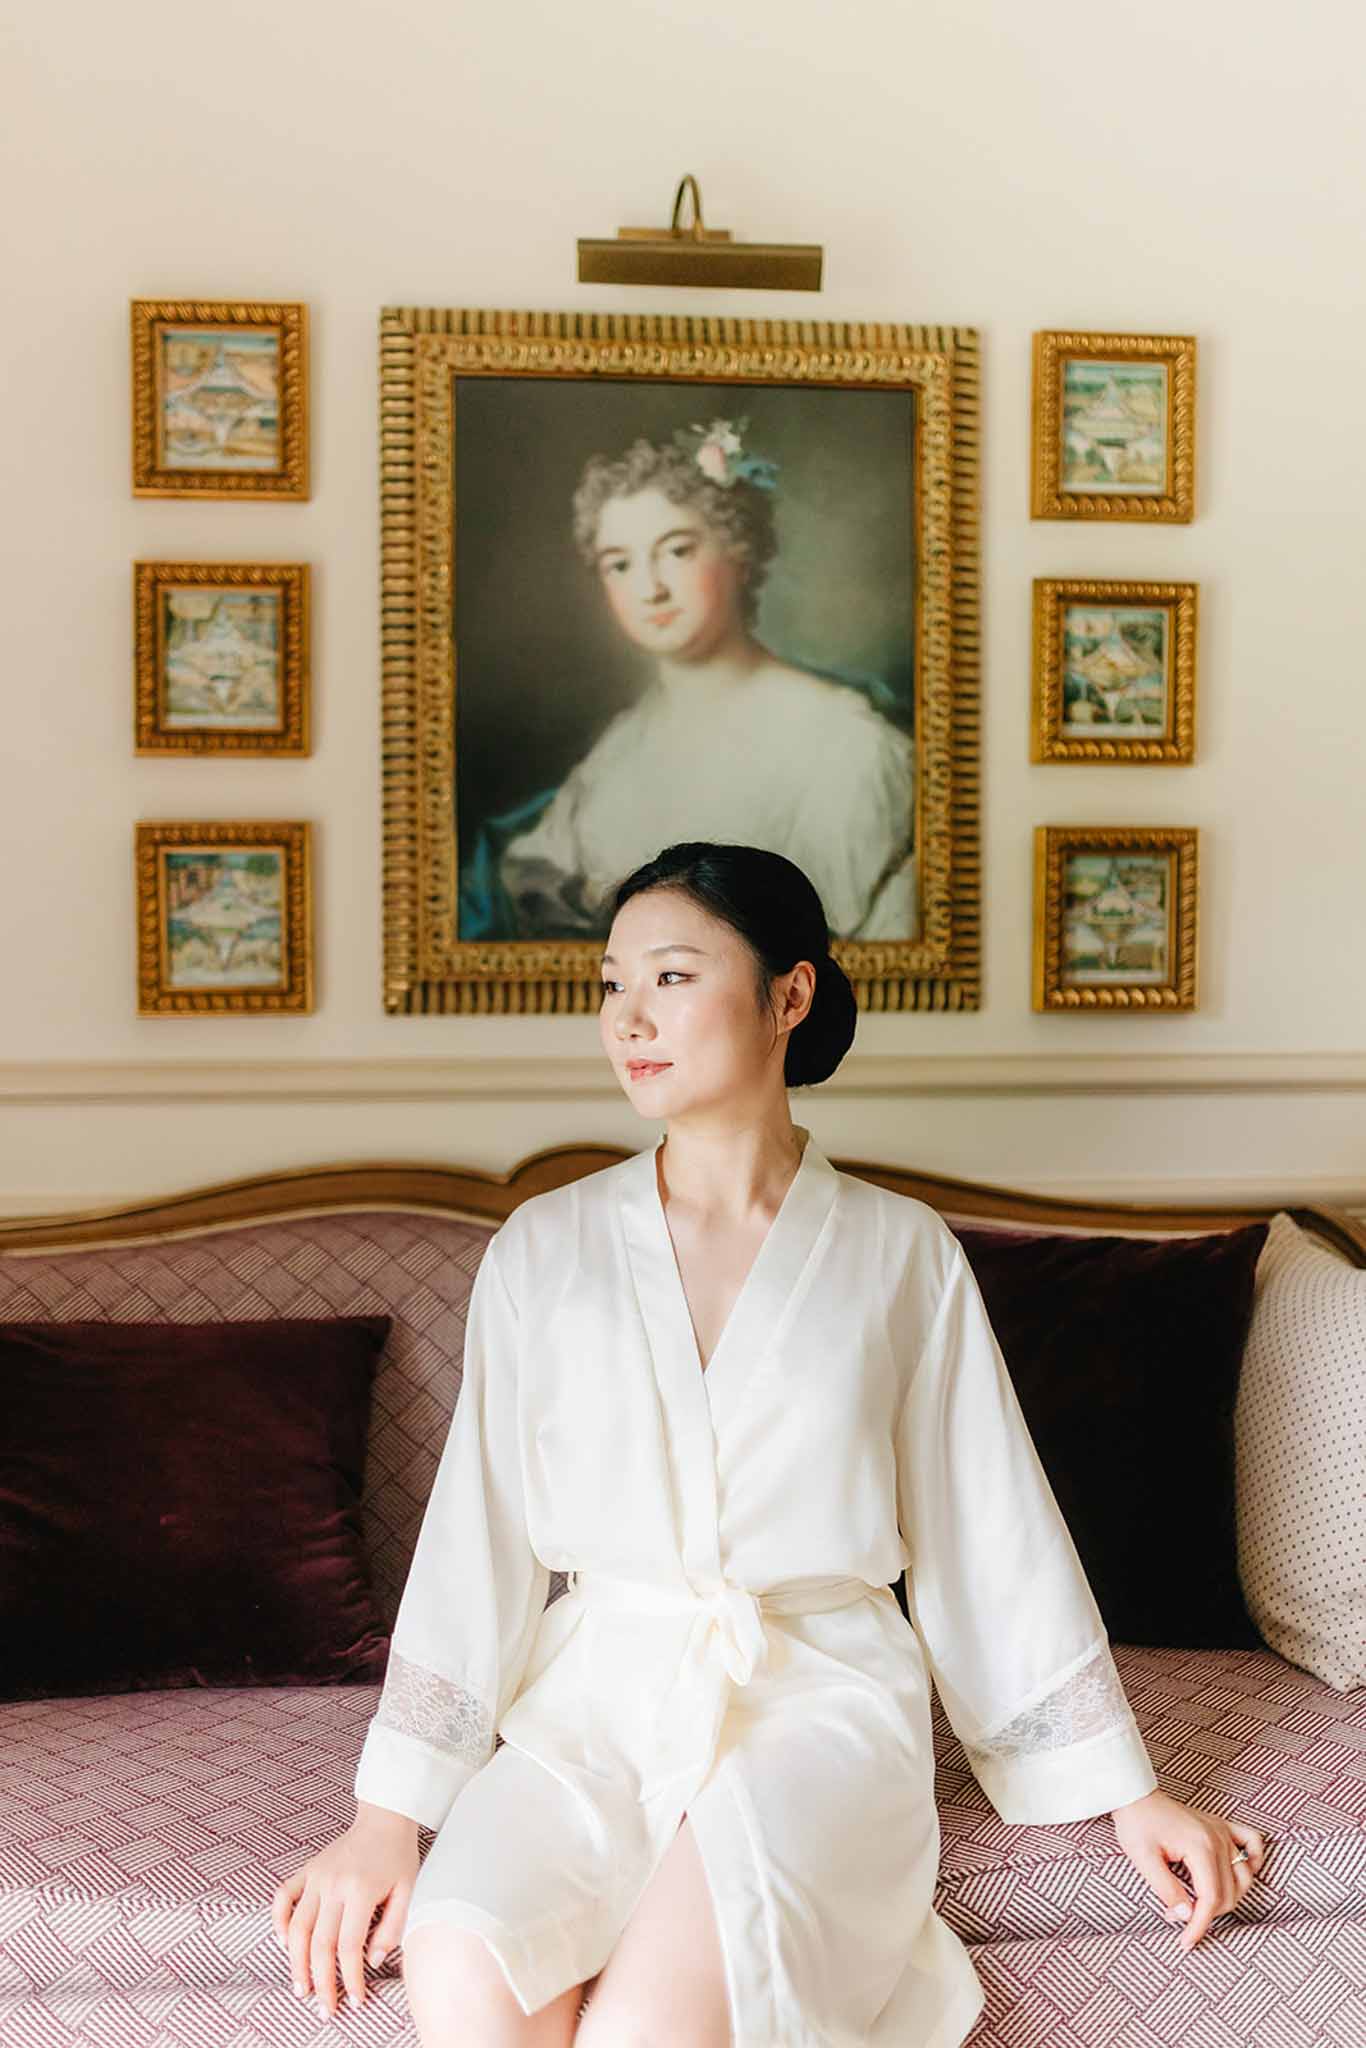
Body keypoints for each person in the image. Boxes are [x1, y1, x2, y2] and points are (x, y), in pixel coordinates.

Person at [272, 840, 1266, 2045]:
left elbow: (983, 1523)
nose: (629, 1016)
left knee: (650, 2026)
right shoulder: (545, 1247)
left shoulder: (898, 1254)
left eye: (673, 976)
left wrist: (1122, 1788)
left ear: (789, 995)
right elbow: (475, 1532)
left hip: (819, 1697)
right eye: (608, 983)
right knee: (464, 1969)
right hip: (594, 1695)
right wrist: (390, 1812)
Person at [461, 421, 918, 945]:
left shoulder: (848, 746)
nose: (650, 588)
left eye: (676, 551)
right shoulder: (622, 745)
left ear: (738, 551)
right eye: (620, 564)